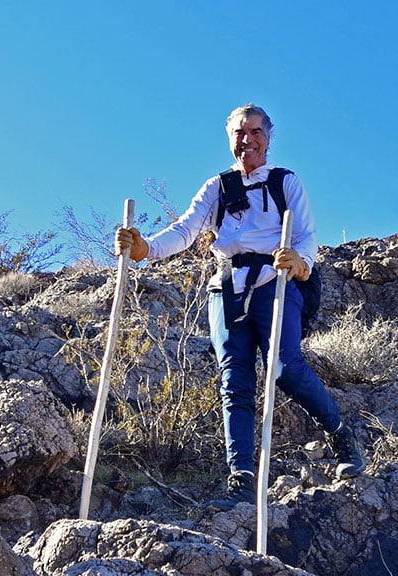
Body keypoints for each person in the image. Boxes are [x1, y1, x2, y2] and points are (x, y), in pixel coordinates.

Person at [115, 103, 365, 509]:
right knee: (235, 380)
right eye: (238, 133)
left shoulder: (285, 181)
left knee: (285, 368)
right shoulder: (216, 187)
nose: (246, 140)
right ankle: (242, 478)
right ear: (230, 139)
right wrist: (146, 248)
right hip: (227, 287)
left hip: (275, 281)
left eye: (254, 132)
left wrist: (301, 262)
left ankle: (340, 435)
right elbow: (186, 228)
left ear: (268, 138)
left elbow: (305, 233)